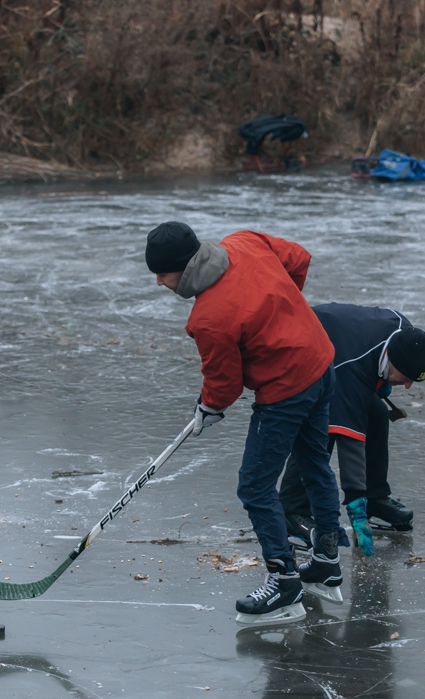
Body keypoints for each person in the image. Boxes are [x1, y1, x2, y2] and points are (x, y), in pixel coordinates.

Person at [145, 221, 345, 627]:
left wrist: (208, 407)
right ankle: (326, 561)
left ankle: (284, 580)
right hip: (321, 363)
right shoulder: (245, 242)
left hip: (286, 390)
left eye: (162, 275)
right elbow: (299, 259)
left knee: (254, 486)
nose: (159, 284)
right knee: (314, 466)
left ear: (183, 269)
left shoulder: (209, 317)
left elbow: (225, 385)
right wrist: (284, 312)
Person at [279, 304, 425, 569]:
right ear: (393, 361)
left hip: (341, 348)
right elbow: (350, 444)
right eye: (406, 378)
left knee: (374, 410)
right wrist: (356, 508)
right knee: (322, 427)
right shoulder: (352, 369)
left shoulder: (405, 335)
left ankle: (375, 496)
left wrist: (380, 382)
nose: (407, 386)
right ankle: (292, 511)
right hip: (295, 350)